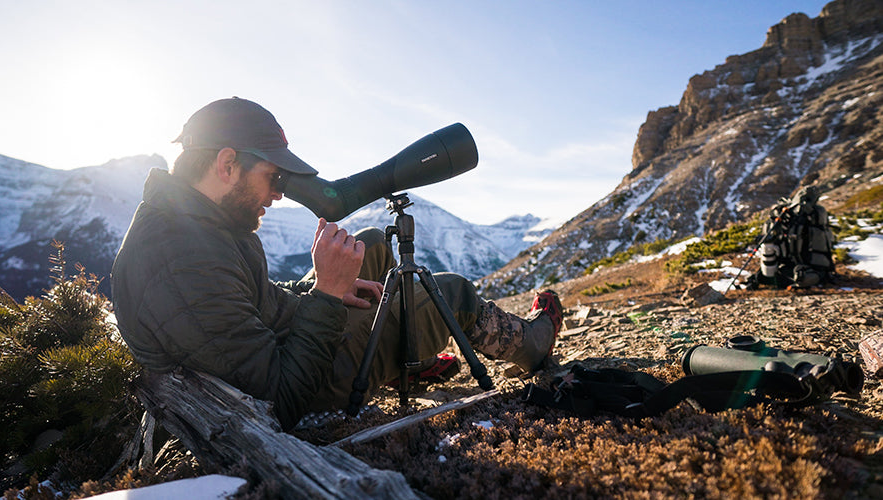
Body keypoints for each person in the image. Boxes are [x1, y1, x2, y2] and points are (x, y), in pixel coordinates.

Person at [111, 97, 563, 430]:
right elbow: (281, 399)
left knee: (369, 246)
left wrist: (321, 291)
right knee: (448, 293)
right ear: (227, 163)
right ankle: (532, 345)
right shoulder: (185, 261)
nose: (277, 193)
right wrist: (326, 295)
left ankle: (407, 351)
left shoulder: (199, 219)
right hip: (303, 390)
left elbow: (256, 302)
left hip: (270, 348)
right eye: (273, 176)